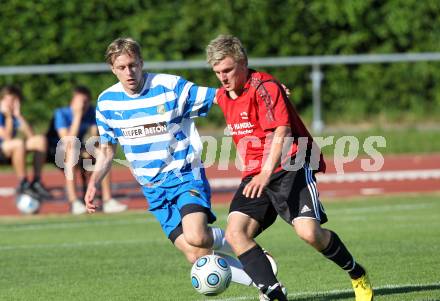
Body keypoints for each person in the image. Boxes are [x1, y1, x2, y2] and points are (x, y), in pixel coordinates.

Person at [83, 37, 267, 292]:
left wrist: (266, 90)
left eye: (134, 65)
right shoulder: (107, 102)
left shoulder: (169, 86)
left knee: (197, 236)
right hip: (152, 188)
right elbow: (106, 149)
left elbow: (220, 96)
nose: (129, 72)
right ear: (113, 69)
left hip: (183, 175)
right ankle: (264, 283)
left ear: (141, 62)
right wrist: (94, 182)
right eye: (122, 67)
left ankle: (241, 242)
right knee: (196, 255)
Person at [206, 34, 374, 301]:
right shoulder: (223, 95)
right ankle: (274, 294)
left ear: (243, 63)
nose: (223, 77)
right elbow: (194, 96)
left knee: (309, 233)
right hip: (256, 174)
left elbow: (280, 131)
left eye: (227, 70)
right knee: (236, 233)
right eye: (217, 72)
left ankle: (356, 272)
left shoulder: (264, 87)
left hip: (290, 166)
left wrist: (265, 172)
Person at [46, 86, 127, 214]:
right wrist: (77, 116)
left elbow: (94, 138)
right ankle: (74, 202)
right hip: (58, 152)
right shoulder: (61, 113)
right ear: (72, 101)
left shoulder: (91, 111)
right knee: (72, 152)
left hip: (80, 149)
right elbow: (68, 141)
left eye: (85, 102)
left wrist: (92, 149)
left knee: (103, 153)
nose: (83, 105)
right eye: (79, 101)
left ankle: (107, 200)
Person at [0, 85, 51, 200]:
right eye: (8, 100)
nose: (11, 104)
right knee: (18, 143)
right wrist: (8, 117)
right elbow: (7, 137)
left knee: (40, 140)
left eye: (14, 100)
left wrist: (18, 115)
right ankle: (23, 183)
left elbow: (31, 136)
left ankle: (36, 181)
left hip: (11, 147)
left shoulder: (14, 116)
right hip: (3, 148)